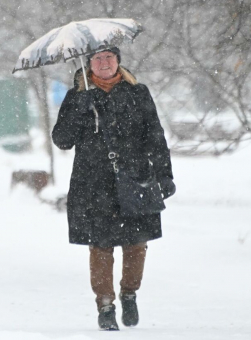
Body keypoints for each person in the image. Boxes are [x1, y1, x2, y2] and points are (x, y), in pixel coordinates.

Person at [51, 46, 175, 330]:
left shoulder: (137, 93)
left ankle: (129, 293)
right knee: (100, 246)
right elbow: (62, 139)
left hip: (134, 177)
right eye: (97, 58)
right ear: (89, 63)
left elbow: (155, 135)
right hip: (92, 183)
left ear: (118, 61)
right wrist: (79, 113)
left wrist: (164, 174)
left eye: (109, 57)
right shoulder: (77, 97)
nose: (103, 63)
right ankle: (105, 306)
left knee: (136, 243)